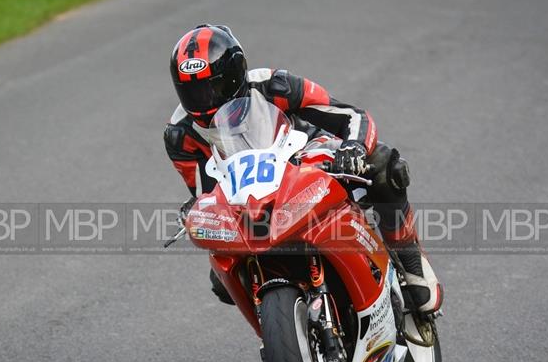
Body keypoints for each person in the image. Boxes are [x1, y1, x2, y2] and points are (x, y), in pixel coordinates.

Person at [164, 24, 443, 315]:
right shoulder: (179, 133)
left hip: (304, 159)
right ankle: (281, 320)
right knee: (221, 278)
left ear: (236, 74)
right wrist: (198, 209)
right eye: (194, 92)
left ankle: (410, 260)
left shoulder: (274, 85)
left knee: (385, 165)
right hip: (247, 193)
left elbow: (350, 115)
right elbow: (203, 190)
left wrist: (354, 147)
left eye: (214, 87)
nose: (206, 99)